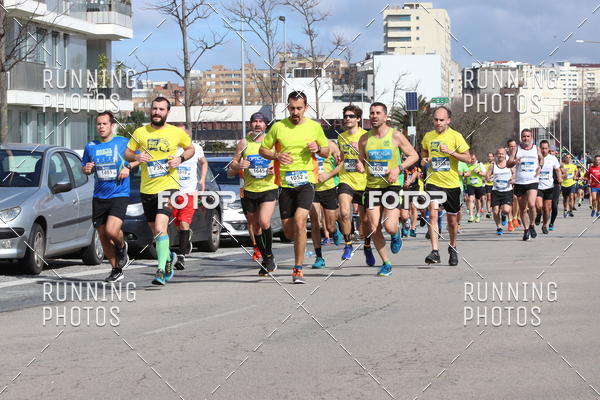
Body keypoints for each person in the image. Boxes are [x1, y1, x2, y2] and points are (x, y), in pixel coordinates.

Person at [259, 91, 329, 284]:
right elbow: (263, 149)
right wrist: (276, 156)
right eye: (292, 108)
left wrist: (318, 149)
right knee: (289, 232)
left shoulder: (314, 127)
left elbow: (326, 151)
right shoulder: (278, 127)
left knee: (300, 221)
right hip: (285, 184)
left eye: (299, 108)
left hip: (307, 181)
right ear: (287, 107)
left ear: (306, 108)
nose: (295, 112)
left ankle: (298, 269)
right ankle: (298, 246)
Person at [124, 97, 195, 285]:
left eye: (161, 109)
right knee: (156, 233)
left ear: (167, 112)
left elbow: (190, 149)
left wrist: (180, 159)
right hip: (147, 189)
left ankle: (161, 270)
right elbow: (127, 153)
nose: (157, 112)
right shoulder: (140, 132)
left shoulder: (175, 132)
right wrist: (137, 156)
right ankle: (169, 257)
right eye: (154, 108)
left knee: (159, 226)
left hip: (169, 186)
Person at [358, 102, 418, 276]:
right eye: (372, 113)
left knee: (390, 226)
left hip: (392, 185)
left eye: (378, 113)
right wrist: (359, 165)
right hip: (372, 187)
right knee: (373, 226)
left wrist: (398, 169)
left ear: (385, 117)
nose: (374, 116)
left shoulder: (396, 136)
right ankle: (386, 263)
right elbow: (361, 160)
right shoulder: (364, 139)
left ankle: (396, 234)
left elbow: (414, 155)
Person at [82, 111, 138, 282]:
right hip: (99, 195)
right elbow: (85, 167)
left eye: (104, 124)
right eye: (98, 124)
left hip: (119, 193)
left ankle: (122, 245)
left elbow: (141, 157)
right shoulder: (91, 146)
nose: (101, 127)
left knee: (111, 230)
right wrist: (86, 169)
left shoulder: (123, 142)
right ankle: (116, 269)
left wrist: (128, 167)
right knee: (103, 235)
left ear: (112, 125)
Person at [229, 112, 279, 276]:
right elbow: (232, 165)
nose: (257, 124)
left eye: (260, 122)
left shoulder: (272, 142)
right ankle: (265, 259)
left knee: (264, 221)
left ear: (265, 125)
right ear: (250, 124)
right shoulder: (244, 143)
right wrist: (239, 165)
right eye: (254, 121)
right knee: (255, 227)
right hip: (250, 189)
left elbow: (283, 160)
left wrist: (275, 168)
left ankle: (269, 256)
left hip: (268, 187)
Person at [421, 107, 471, 265]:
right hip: (433, 182)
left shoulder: (456, 136)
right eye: (436, 120)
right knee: (433, 215)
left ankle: (453, 246)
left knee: (452, 222)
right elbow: (424, 152)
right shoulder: (428, 136)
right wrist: (424, 159)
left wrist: (451, 152)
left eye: (442, 120)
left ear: (448, 120)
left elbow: (468, 158)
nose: (438, 123)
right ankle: (435, 251)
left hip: (452, 185)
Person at [336, 105, 372, 264]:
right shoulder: (341, 137)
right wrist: (339, 158)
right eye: (345, 116)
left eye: (351, 116)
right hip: (346, 179)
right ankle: (348, 244)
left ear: (358, 119)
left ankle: (367, 246)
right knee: (344, 213)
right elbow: (342, 157)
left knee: (366, 220)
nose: (347, 119)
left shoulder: (366, 136)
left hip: (364, 182)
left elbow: (374, 159)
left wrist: (361, 153)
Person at [170, 122, 208, 270]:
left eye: (182, 133)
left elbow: (204, 163)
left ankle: (181, 256)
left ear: (187, 134)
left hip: (189, 192)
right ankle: (186, 240)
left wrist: (202, 179)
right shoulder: (171, 148)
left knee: (184, 224)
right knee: (177, 224)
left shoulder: (195, 148)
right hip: (173, 191)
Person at [310, 140, 343, 268]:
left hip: (329, 187)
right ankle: (319, 257)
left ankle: (335, 230)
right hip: (311, 188)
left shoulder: (331, 145)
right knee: (315, 223)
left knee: (330, 226)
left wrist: (328, 175)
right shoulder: (305, 144)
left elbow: (342, 164)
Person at [506, 129, 543, 241]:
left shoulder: (536, 148)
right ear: (521, 137)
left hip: (532, 180)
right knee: (522, 209)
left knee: (531, 204)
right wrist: (515, 162)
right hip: (520, 182)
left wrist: (540, 167)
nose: (526, 138)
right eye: (524, 136)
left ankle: (532, 225)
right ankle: (526, 230)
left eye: (528, 136)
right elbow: (508, 164)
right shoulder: (516, 149)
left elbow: (541, 158)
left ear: (531, 137)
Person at [535, 140, 562, 234]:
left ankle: (544, 225)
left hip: (549, 187)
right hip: (538, 186)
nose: (544, 150)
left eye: (546, 148)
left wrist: (559, 178)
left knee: (547, 209)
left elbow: (557, 170)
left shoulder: (552, 158)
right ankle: (539, 214)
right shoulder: (535, 157)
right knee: (539, 206)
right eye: (542, 148)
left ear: (548, 149)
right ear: (539, 148)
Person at [486, 147, 514, 235]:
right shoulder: (493, 165)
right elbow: (487, 175)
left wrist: (512, 178)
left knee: (506, 210)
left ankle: (505, 216)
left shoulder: (509, 164)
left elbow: (514, 173)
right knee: (495, 211)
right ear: (496, 155)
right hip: (496, 191)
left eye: (502, 154)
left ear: (505, 155)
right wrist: (488, 178)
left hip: (507, 190)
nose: (500, 155)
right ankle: (499, 227)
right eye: (499, 154)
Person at [465, 154, 487, 223]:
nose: (472, 160)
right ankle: (471, 215)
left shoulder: (480, 164)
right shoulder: (467, 165)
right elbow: (465, 174)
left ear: (476, 158)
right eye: (471, 159)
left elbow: (485, 174)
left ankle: (478, 214)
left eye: (473, 159)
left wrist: (478, 172)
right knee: (470, 199)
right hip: (470, 184)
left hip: (478, 185)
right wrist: (465, 175)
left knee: (478, 200)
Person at [506, 139, 521, 230]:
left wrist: (514, 177)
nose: (513, 148)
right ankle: (510, 220)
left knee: (516, 198)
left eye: (514, 146)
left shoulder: (519, 155)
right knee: (509, 201)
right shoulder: (505, 157)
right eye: (511, 146)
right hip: (506, 182)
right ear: (508, 147)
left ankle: (515, 217)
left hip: (518, 180)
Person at [483, 152, 495, 218]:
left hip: (495, 184)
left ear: (493, 157)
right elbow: (484, 173)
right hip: (488, 183)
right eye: (489, 156)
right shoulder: (485, 165)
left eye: (491, 156)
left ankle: (495, 210)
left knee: (494, 198)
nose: (490, 158)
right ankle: (489, 212)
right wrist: (487, 177)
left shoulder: (496, 165)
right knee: (489, 197)